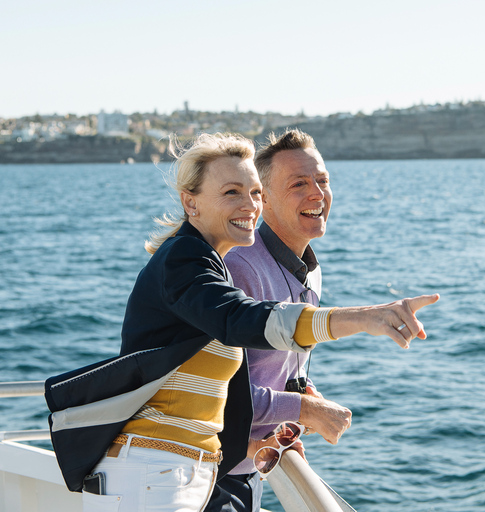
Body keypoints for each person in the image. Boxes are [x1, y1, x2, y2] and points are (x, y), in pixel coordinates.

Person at [43, 132, 439, 512]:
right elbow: (241, 319)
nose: (250, 205)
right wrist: (363, 318)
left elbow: (216, 385)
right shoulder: (185, 260)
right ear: (191, 203)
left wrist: (262, 436)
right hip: (152, 472)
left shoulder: (210, 263)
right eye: (231, 192)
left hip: (186, 468)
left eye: (253, 193)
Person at [206, 129, 343, 511]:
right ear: (263, 200)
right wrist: (305, 409)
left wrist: (304, 393)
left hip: (253, 462)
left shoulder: (309, 269)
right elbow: (219, 395)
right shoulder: (240, 268)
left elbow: (277, 368)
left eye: (323, 180)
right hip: (212, 470)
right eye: (299, 183)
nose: (317, 193)